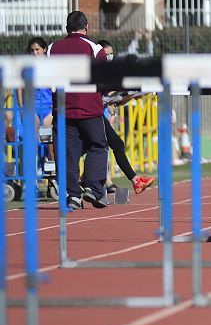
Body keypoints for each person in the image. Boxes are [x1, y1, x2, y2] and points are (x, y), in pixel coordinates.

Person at [47, 11, 109, 209]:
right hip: (89, 108)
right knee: (98, 146)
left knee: (68, 154)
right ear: (86, 27)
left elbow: (46, 78)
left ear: (67, 28)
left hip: (63, 110)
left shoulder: (51, 49)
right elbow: (104, 79)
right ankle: (93, 188)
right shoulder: (94, 48)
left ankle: (73, 195)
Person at [97, 41, 156, 196]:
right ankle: (94, 182)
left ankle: (130, 180)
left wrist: (132, 95)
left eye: (111, 54)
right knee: (104, 146)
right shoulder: (97, 71)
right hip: (91, 115)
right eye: (106, 53)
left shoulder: (112, 73)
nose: (109, 57)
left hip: (100, 115)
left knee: (107, 146)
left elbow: (117, 99)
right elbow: (107, 94)